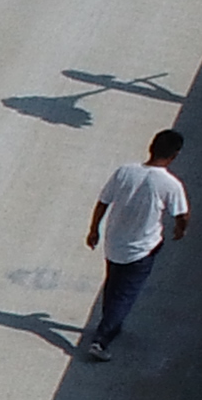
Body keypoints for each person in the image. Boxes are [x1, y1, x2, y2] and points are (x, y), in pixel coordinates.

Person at [82, 130, 192, 362]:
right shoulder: (170, 184)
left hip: (114, 243)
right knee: (126, 294)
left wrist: (94, 230)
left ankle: (111, 323)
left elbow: (103, 201)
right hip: (142, 249)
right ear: (175, 155)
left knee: (113, 287)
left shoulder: (125, 171)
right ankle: (101, 340)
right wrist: (180, 230)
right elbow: (182, 215)